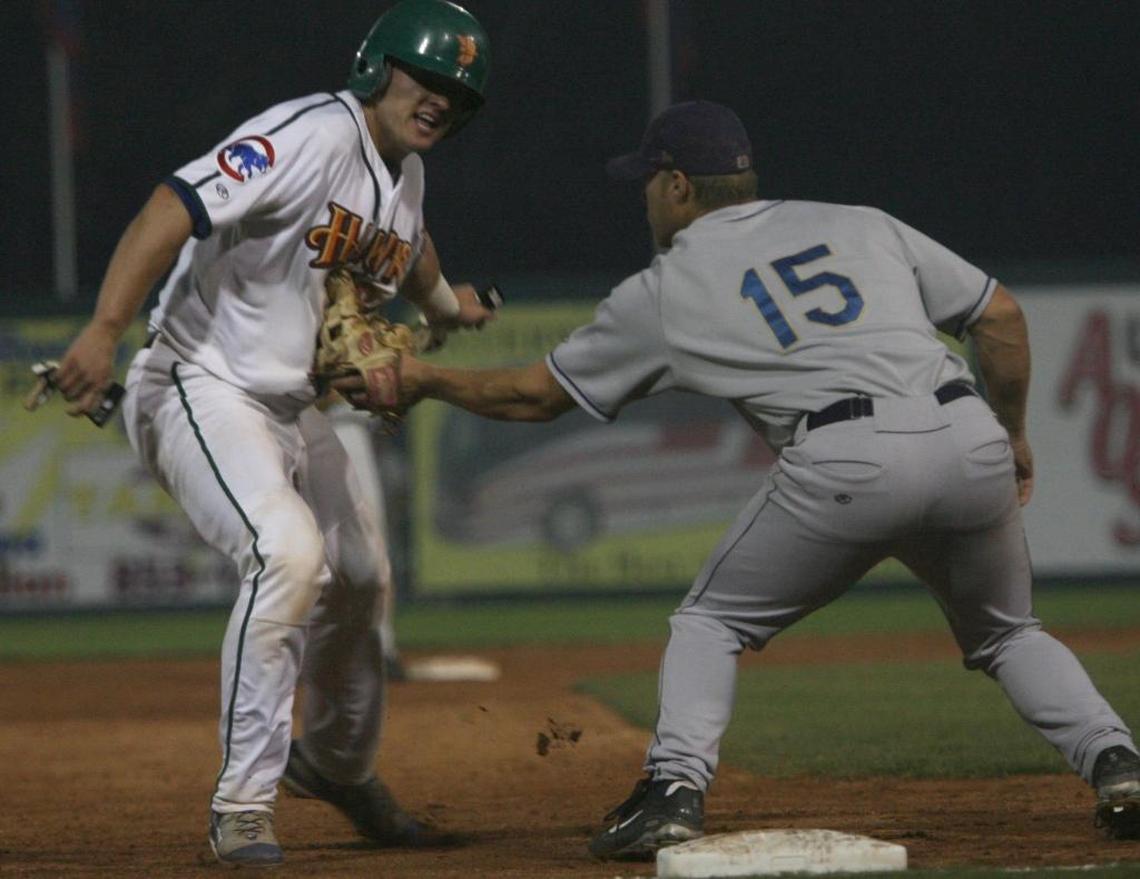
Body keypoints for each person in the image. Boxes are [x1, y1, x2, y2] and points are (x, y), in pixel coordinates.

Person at [387, 100, 1140, 859]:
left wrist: (423, 379)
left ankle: (673, 791)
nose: (644, 196)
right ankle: (1119, 764)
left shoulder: (668, 286)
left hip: (850, 454)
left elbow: (534, 395)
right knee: (1008, 631)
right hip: (966, 433)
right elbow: (1000, 317)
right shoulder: (861, 223)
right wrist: (1010, 432)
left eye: (648, 182)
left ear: (679, 186)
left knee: (709, 623)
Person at [52, 0, 496, 866]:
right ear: (380, 68)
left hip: (289, 406)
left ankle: (332, 765)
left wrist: (448, 306)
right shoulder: (308, 132)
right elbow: (172, 203)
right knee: (289, 552)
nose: (441, 96)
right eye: (428, 75)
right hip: (196, 383)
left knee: (364, 579)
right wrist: (106, 327)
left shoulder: (402, 175)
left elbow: (408, 248)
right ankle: (244, 802)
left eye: (459, 91)